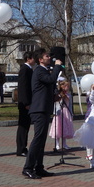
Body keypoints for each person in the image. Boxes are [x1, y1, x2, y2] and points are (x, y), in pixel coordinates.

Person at [22, 49, 63, 179]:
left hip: (44, 109)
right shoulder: (39, 71)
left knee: (41, 140)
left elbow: (45, 88)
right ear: (40, 59)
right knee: (38, 138)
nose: (49, 58)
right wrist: (57, 66)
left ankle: (39, 167)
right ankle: (28, 168)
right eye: (46, 56)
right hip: (38, 110)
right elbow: (51, 79)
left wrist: (54, 96)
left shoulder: (44, 71)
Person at [16, 51, 35, 157]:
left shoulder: (29, 69)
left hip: (27, 102)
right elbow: (23, 87)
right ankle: (21, 148)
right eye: (33, 58)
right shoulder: (25, 69)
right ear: (28, 59)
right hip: (24, 103)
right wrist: (26, 103)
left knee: (26, 126)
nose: (35, 60)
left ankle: (23, 147)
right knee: (23, 127)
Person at [49, 79, 74, 151]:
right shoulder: (58, 95)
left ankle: (64, 144)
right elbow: (56, 103)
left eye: (68, 86)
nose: (67, 88)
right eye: (66, 86)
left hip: (66, 112)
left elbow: (70, 105)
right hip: (59, 112)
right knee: (58, 127)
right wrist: (61, 96)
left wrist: (71, 113)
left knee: (65, 128)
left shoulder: (68, 95)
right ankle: (57, 144)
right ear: (61, 86)